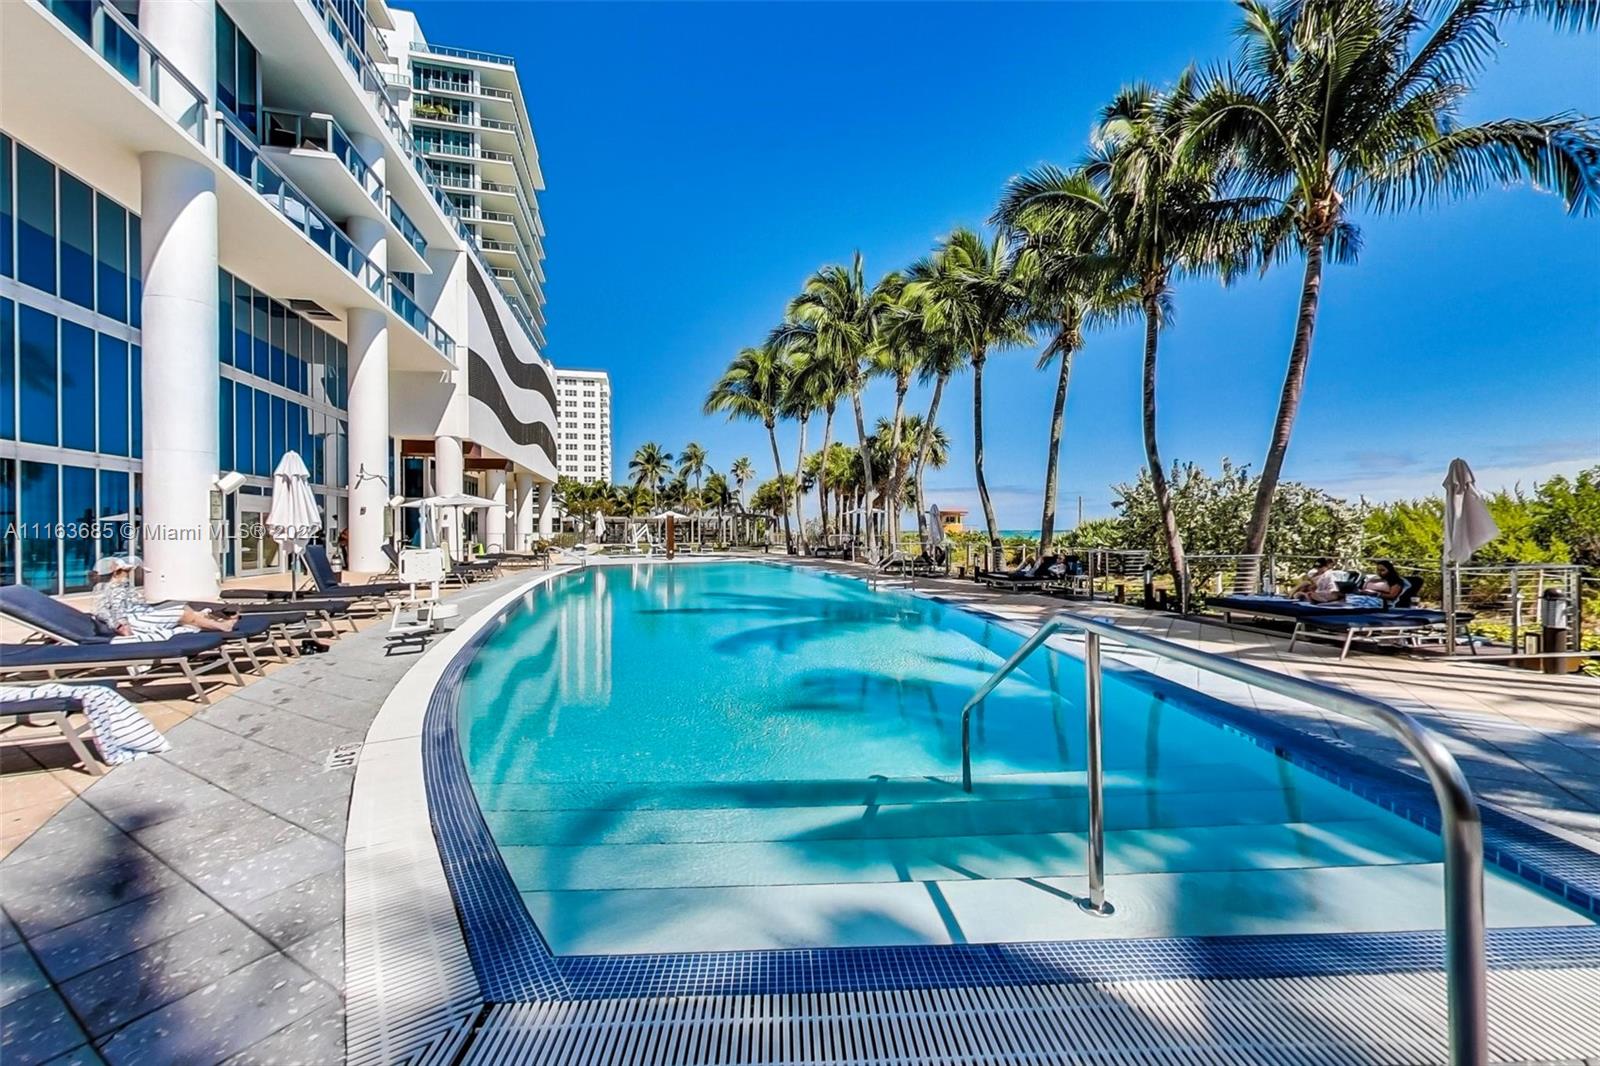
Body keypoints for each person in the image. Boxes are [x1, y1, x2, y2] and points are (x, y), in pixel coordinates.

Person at [92, 556, 236, 642]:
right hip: (135, 620)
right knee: (182, 613)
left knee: (179, 605)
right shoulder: (113, 588)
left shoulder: (118, 585)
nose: (131, 574)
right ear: (117, 572)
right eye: (127, 571)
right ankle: (222, 626)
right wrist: (122, 627)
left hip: (140, 613)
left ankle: (203, 619)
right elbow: (108, 611)